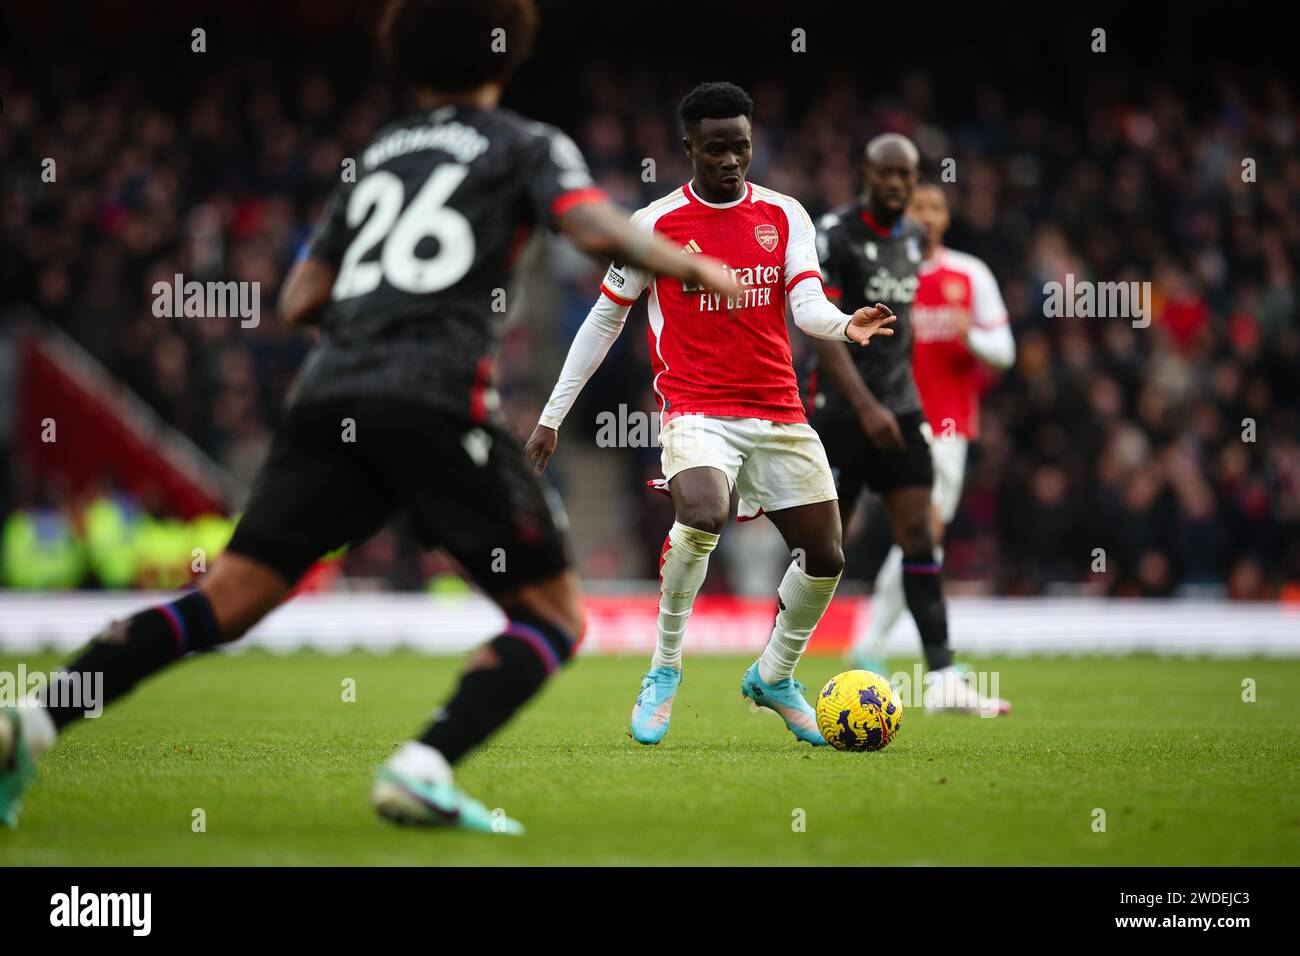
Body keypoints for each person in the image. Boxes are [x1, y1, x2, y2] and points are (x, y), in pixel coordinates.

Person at [0, 0, 744, 834]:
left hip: (327, 397)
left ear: (408, 58)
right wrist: (687, 260)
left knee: (227, 601)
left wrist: (377, 317)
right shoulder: (527, 144)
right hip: (432, 400)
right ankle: (423, 766)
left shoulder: (380, 155)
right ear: (507, 52)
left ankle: (30, 722)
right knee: (553, 615)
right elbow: (587, 224)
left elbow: (298, 298)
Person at [525, 82, 896, 746]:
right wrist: (553, 415)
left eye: (742, 148)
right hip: (696, 406)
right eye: (717, 149)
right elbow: (605, 321)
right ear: (689, 146)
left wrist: (846, 326)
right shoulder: (655, 225)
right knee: (702, 512)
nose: (731, 161)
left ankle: (774, 675)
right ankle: (664, 668)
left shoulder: (784, 215)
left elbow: (807, 308)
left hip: (779, 408)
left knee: (826, 555)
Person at [807, 134, 1008, 716]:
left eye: (906, 175)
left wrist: (897, 401)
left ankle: (942, 676)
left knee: (920, 535)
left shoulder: (917, 242)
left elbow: (915, 329)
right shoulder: (834, 233)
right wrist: (866, 405)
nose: (896, 185)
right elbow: (821, 327)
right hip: (842, 413)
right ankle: (776, 669)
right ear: (867, 174)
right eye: (885, 174)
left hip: (904, 412)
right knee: (824, 548)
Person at [845, 181, 1015, 670]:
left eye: (936, 207)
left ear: (947, 216)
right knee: (923, 532)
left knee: (920, 535)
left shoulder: (970, 273)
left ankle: (878, 649)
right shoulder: (885, 270)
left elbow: (1005, 352)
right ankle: (886, 650)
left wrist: (972, 337)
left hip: (950, 424)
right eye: (919, 207)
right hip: (900, 421)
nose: (928, 215)